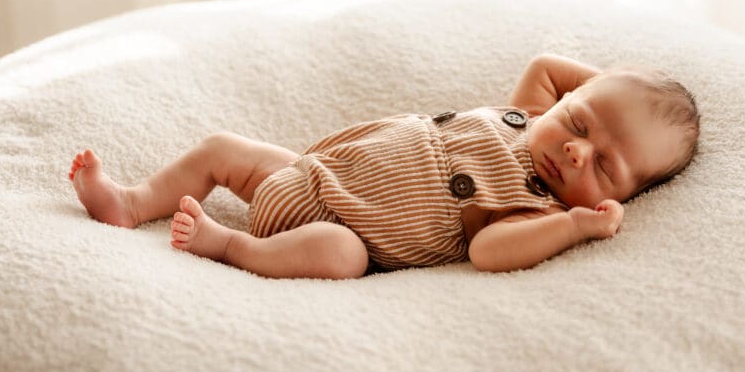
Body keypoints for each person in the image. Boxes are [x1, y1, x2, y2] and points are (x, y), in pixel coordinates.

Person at [69, 54, 700, 278]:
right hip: (305, 177)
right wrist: (606, 94)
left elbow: (489, 253)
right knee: (222, 148)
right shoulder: (527, 117)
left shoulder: (532, 203)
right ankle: (132, 201)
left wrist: (574, 225)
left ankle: (229, 245)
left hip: (335, 228)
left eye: (606, 165)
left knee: (343, 257)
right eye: (581, 123)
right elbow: (546, 66)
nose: (575, 151)